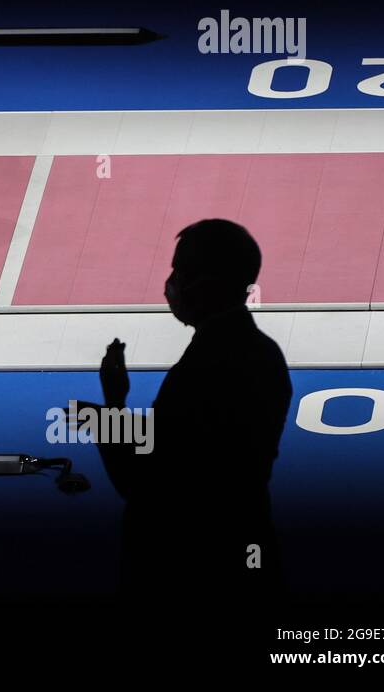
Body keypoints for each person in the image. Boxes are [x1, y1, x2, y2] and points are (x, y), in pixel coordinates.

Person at [82, 219, 293, 602]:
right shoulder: (263, 353)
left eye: (181, 271)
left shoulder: (204, 368)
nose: (172, 281)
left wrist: (110, 409)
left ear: (208, 281)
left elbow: (143, 483)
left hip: (185, 570)